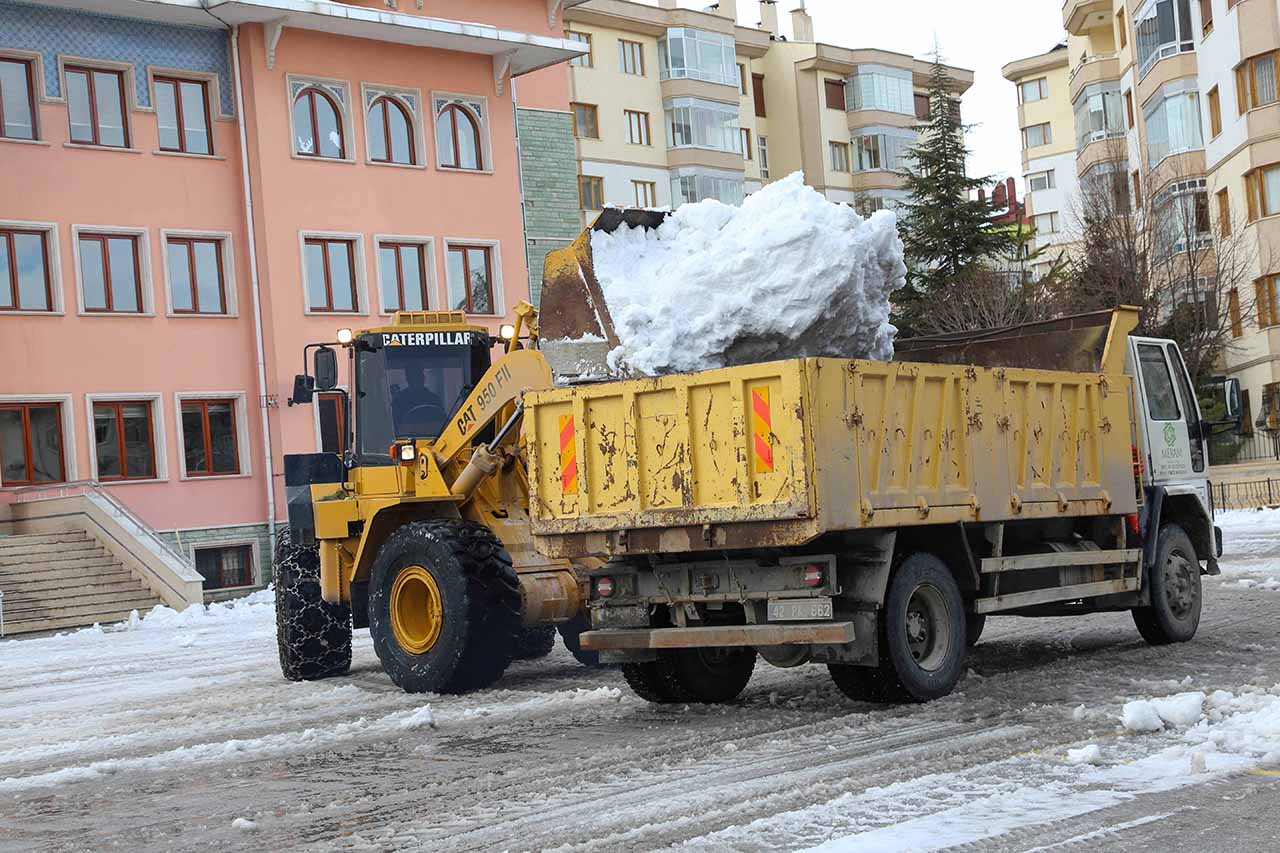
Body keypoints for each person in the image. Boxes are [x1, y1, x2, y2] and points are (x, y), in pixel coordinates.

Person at [392, 365, 444, 430]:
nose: (419, 379)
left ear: (423, 378)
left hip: (436, 436)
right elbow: (394, 426)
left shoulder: (434, 399)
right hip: (406, 438)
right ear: (408, 379)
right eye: (415, 376)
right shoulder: (399, 401)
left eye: (420, 375)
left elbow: (442, 422)